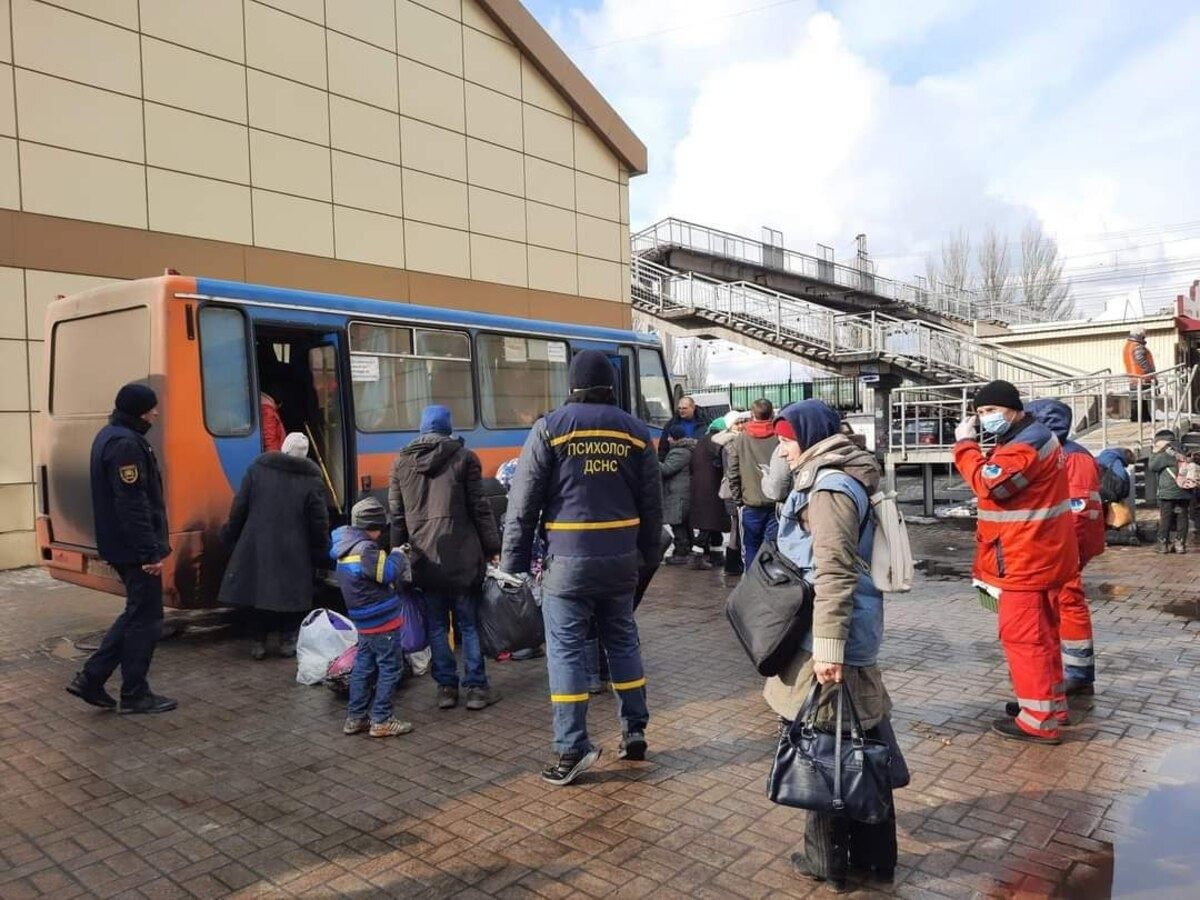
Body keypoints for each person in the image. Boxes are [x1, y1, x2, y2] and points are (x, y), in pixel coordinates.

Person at [500, 350, 663, 786]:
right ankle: (634, 731)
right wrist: (647, 557)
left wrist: (513, 564)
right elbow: (652, 504)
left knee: (567, 651)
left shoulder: (550, 429)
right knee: (623, 643)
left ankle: (572, 747)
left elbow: (523, 504)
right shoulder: (636, 432)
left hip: (567, 564)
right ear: (611, 385)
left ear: (572, 385)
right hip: (621, 561)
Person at [763, 401, 904, 891]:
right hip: (844, 630)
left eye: (786, 440)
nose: (782, 449)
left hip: (830, 635)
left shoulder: (829, 488)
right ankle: (875, 856)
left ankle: (826, 861)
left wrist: (827, 648)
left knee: (823, 747)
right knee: (862, 737)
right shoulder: (836, 474)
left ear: (808, 437)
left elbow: (834, 572)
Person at [952, 380, 1078, 745]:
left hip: (1025, 558)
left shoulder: (1025, 444)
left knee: (1023, 639)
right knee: (1043, 636)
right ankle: (1049, 705)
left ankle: (1037, 720)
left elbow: (988, 484)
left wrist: (965, 446)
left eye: (991, 410)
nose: (984, 418)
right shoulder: (1029, 437)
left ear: (1014, 409)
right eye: (980, 413)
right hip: (1039, 553)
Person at [67, 383, 176, 715]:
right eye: (152, 408)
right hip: (133, 550)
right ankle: (134, 693)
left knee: (137, 613)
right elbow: (132, 504)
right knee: (146, 620)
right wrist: (148, 553)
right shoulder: (126, 444)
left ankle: (92, 679)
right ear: (139, 411)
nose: (155, 414)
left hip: (122, 545)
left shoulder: (111, 435)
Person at [389, 404, 501, 711]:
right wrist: (492, 547)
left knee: (437, 625)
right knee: (469, 624)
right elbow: (480, 508)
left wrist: (397, 554)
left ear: (422, 428)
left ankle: (446, 689)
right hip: (463, 558)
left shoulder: (401, 463)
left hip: (425, 560)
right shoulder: (465, 458)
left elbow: (397, 516)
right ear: (448, 427)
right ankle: (476, 689)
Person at [218, 432, 330, 659]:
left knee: (260, 592)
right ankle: (287, 640)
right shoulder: (311, 480)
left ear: (283, 448)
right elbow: (318, 520)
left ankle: (258, 642)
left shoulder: (258, 470)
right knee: (291, 594)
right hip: (295, 548)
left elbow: (239, 506)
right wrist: (321, 548)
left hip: (258, 543)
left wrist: (230, 534)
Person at [1025, 400, 1105, 705]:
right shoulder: (1053, 452)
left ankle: (1079, 674)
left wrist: (1067, 553)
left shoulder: (1072, 457)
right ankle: (1066, 670)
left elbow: (1079, 512)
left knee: (1069, 603)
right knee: (1056, 607)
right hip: (1053, 545)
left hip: (1065, 547)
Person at [332, 498, 413, 738]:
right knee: (391, 668)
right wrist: (398, 555)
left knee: (363, 668)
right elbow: (386, 573)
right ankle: (382, 719)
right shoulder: (366, 549)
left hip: (363, 621)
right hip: (381, 620)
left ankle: (356, 717)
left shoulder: (344, 547)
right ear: (372, 527)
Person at [728, 398, 780, 568]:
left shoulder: (740, 439)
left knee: (750, 547)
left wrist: (738, 500)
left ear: (752, 414)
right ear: (771, 414)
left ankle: (751, 580)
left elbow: (733, 472)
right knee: (772, 548)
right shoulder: (780, 437)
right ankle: (770, 579)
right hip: (776, 502)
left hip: (750, 502)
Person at [688, 420, 730, 569]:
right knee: (709, 521)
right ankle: (696, 556)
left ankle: (716, 554)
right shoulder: (718, 442)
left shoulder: (702, 441)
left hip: (700, 487)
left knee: (714, 521)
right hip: (714, 487)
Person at [1149, 429, 1191, 553]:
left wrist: (1154, 452)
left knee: (1166, 518)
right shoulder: (1184, 449)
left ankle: (1163, 544)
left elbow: (1152, 466)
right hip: (1184, 489)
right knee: (1182, 517)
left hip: (1168, 492)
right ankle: (1180, 544)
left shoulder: (1166, 452)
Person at [660, 425, 696, 565]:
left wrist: (651, 461)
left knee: (678, 524)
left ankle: (682, 553)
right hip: (683, 493)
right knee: (684, 524)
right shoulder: (686, 450)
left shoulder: (680, 452)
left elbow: (666, 469)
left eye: (670, 436)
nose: (668, 439)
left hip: (678, 494)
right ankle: (686, 550)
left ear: (675, 438)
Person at [657, 395, 710, 459]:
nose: (681, 411)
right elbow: (663, 446)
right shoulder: (671, 424)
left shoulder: (705, 422)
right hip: (679, 460)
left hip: (700, 459)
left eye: (684, 408)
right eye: (679, 408)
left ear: (693, 408)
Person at [1123, 327, 1156, 422]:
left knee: (1138, 399)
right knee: (1140, 399)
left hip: (1133, 377)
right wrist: (1150, 372)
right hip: (1141, 376)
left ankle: (1143, 418)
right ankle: (1139, 419)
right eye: (1144, 335)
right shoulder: (1137, 346)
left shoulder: (1129, 345)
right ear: (1140, 335)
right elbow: (1141, 360)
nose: (1144, 337)